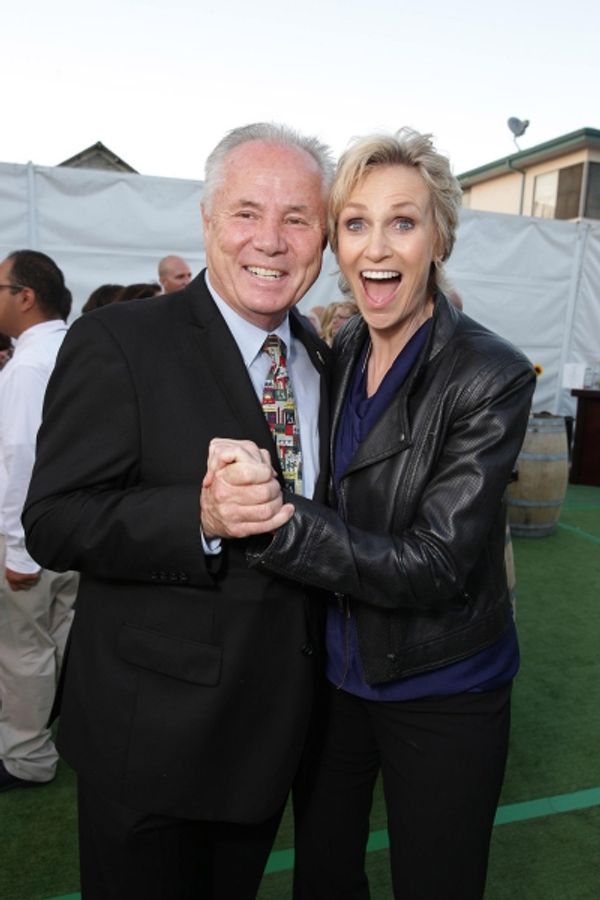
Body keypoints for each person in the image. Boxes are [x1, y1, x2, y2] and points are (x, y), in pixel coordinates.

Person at [202, 127, 536, 900]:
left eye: (403, 221)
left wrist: (276, 522)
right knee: (322, 878)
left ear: (439, 236)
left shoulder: (492, 374)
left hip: (443, 682)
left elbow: (436, 564)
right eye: (355, 222)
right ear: (335, 241)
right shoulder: (339, 347)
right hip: (338, 679)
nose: (376, 247)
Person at [23, 122, 333, 899]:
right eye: (246, 213)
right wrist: (196, 516)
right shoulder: (119, 340)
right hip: (149, 745)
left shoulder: (324, 358)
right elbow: (54, 521)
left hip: (273, 740)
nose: (272, 239)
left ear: (323, 237)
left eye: (297, 218)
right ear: (206, 221)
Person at [0, 250, 78, 792]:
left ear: (25, 296)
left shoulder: (28, 365)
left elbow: (19, 461)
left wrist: (15, 549)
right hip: (75, 529)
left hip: (36, 534)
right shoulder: (80, 345)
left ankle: (25, 757)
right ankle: (53, 739)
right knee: (61, 638)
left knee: (24, 648)